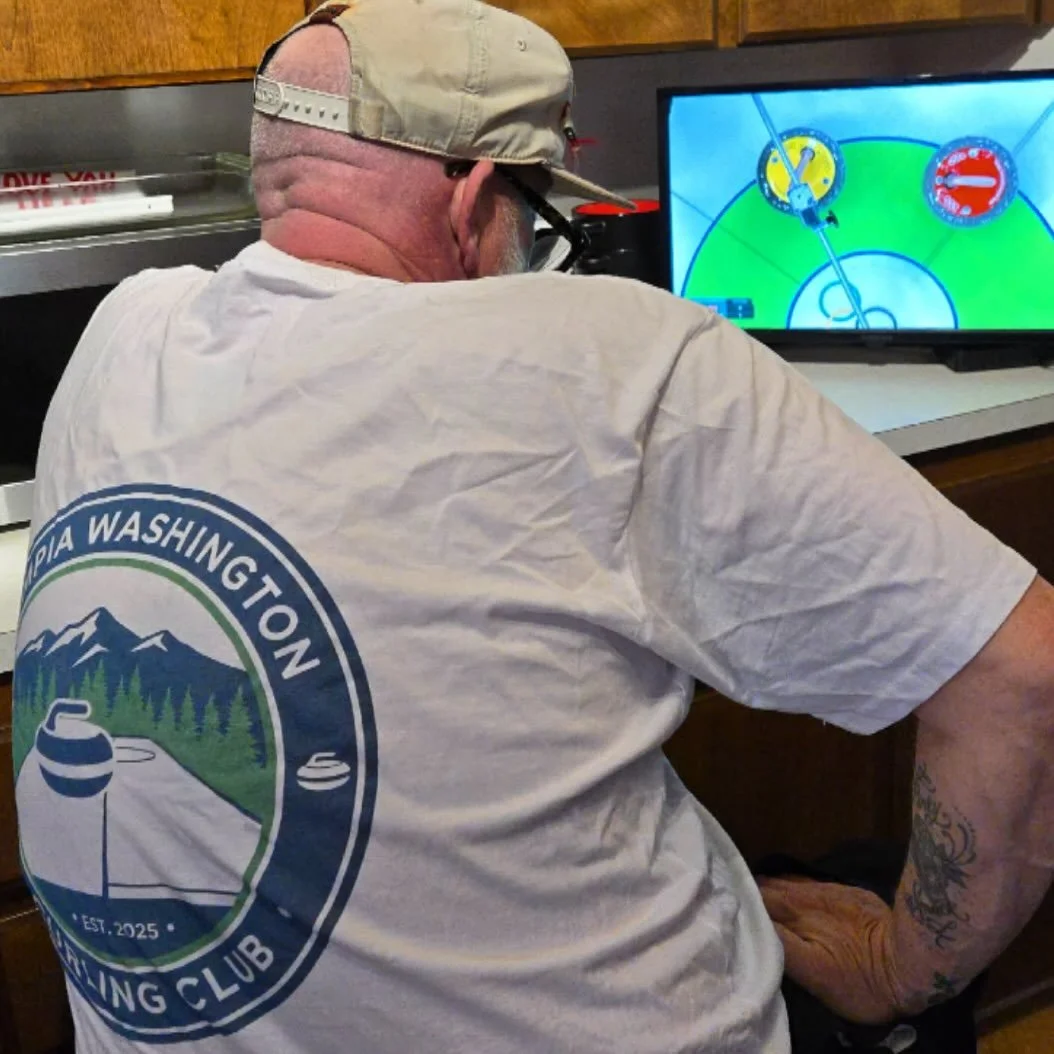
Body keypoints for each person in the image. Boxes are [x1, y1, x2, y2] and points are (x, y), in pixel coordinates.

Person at [13, 0, 1054, 1051]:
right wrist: (893, 965)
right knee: (879, 900)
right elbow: (1025, 667)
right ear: (473, 197)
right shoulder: (620, 357)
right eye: (539, 213)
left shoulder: (119, 332)